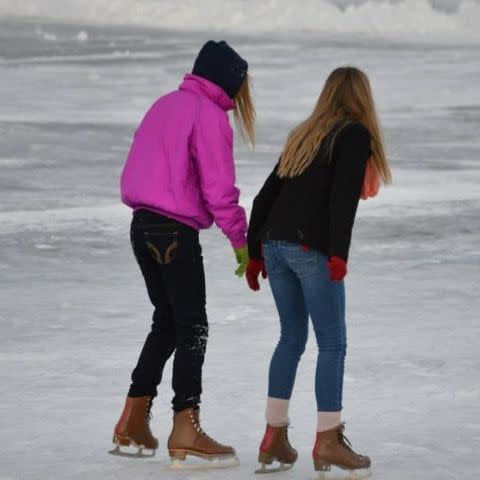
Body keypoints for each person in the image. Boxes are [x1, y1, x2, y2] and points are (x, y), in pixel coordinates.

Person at [111, 40, 255, 463]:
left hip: (141, 227)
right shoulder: (209, 116)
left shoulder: (165, 104)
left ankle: (132, 421)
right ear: (228, 82)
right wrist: (240, 242)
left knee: (168, 322)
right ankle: (185, 427)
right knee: (192, 326)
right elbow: (218, 190)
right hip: (175, 233)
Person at [246, 66, 391, 476]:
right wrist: (338, 254)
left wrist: (257, 252)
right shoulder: (354, 134)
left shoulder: (304, 133)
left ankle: (273, 438)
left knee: (291, 338)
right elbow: (342, 201)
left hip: (276, 243)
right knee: (332, 343)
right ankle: (328, 440)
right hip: (310, 248)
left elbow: (265, 195)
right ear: (362, 97)